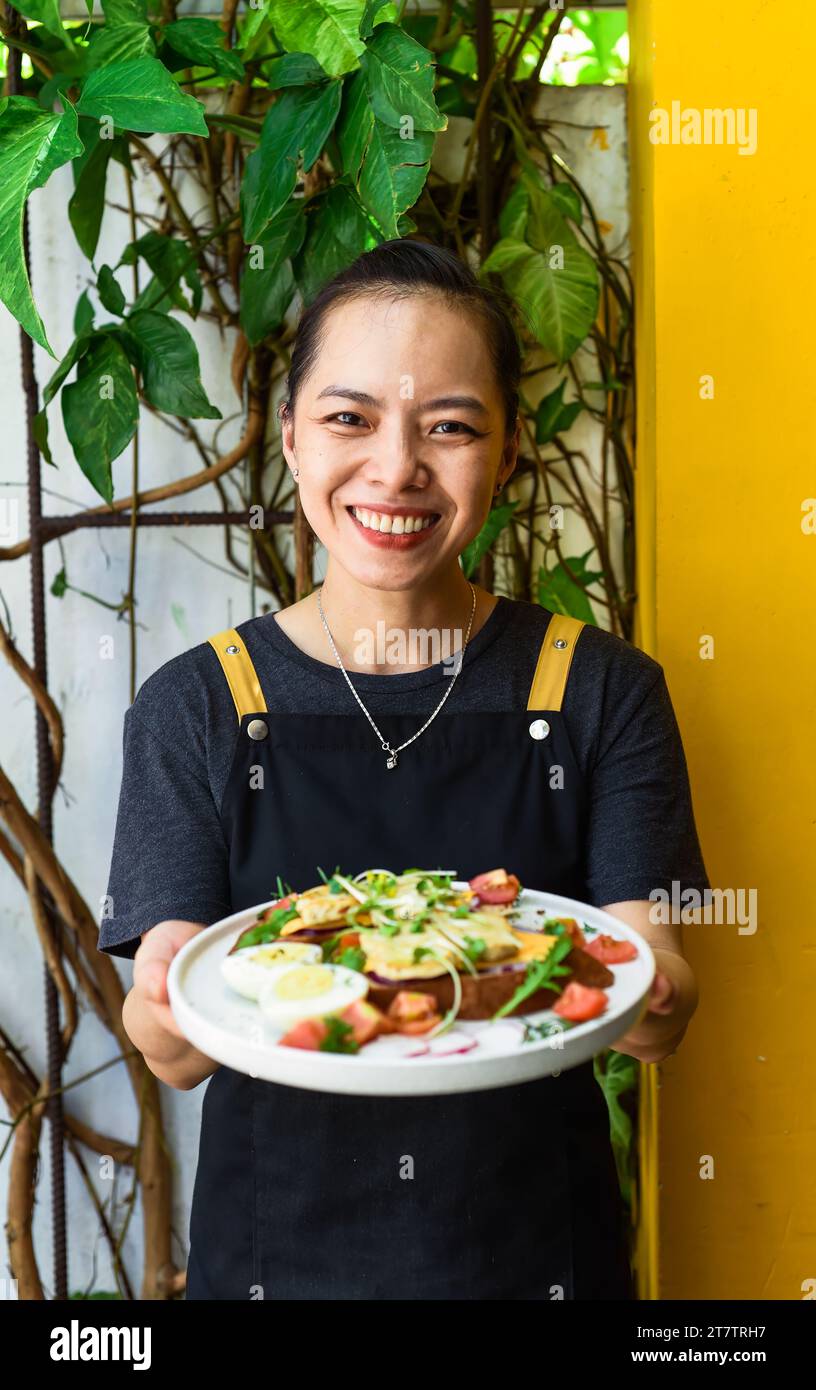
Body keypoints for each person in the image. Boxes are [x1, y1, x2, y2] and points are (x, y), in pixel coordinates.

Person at [100, 239, 707, 1300]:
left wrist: (659, 990)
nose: (396, 469)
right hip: (277, 1264)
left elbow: (654, 999)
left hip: (535, 1262)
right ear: (288, 436)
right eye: (349, 417)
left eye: (451, 427)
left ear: (510, 450)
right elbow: (173, 1052)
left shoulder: (602, 688)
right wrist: (163, 993)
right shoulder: (198, 704)